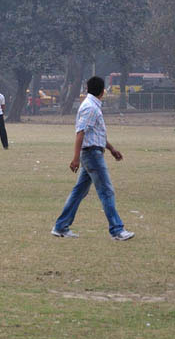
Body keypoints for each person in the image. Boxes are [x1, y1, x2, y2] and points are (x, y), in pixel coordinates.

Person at [51, 76, 135, 240]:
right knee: (106, 191)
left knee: (79, 192)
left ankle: (60, 227)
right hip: (91, 154)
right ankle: (117, 230)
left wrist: (111, 149)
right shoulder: (90, 107)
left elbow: (95, 134)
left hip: (93, 152)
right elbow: (80, 133)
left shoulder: (92, 106)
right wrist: (75, 158)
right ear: (102, 91)